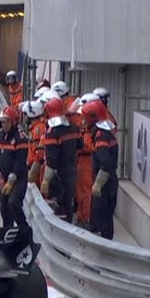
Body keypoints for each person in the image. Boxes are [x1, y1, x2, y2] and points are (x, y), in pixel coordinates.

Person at [0, 106, 30, 229]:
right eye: (2, 122)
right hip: (4, 178)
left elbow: (19, 163)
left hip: (18, 178)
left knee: (13, 203)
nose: (4, 125)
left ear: (13, 122)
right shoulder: (1, 135)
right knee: (4, 207)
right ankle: (7, 230)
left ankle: (24, 229)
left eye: (6, 122)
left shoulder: (20, 139)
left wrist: (11, 181)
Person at [81, 99, 119, 239]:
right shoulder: (105, 133)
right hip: (109, 181)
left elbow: (105, 163)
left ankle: (103, 244)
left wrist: (98, 184)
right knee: (106, 216)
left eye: (85, 118)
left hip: (105, 183)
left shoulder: (101, 137)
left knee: (100, 214)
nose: (83, 121)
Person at [41, 97, 82, 222]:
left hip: (57, 174)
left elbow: (52, 160)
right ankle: (68, 222)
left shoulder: (52, 132)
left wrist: (46, 180)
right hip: (71, 169)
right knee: (68, 200)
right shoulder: (73, 127)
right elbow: (80, 145)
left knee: (57, 202)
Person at [67, 93, 101, 227]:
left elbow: (87, 146)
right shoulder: (89, 127)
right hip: (83, 160)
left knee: (84, 191)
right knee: (81, 190)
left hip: (86, 160)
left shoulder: (95, 130)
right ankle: (84, 216)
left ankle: (85, 219)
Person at [23, 99, 47, 188]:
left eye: (25, 114)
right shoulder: (37, 128)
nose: (24, 117)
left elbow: (38, 154)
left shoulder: (38, 130)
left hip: (37, 169)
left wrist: (33, 171)